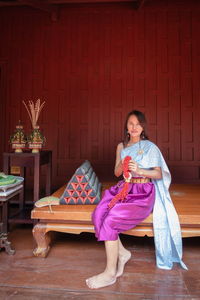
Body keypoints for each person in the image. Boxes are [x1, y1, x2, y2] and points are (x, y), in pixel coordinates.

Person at [86, 110, 187, 289]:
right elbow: (116, 172)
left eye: (138, 124)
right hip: (125, 188)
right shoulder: (121, 147)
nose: (134, 127)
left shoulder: (150, 147)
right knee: (98, 214)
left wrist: (139, 169)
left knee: (110, 220)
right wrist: (124, 165)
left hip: (142, 193)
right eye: (131, 123)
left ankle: (110, 273)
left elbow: (157, 173)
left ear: (143, 128)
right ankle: (123, 253)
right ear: (126, 126)